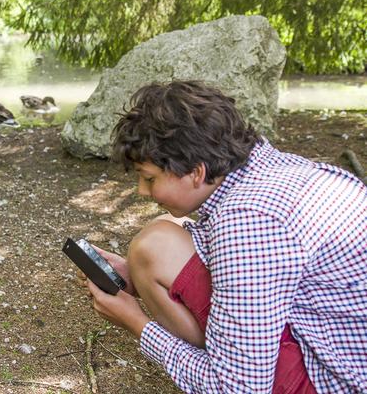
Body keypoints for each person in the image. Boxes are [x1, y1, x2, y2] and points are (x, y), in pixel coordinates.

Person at [87, 81, 367, 393]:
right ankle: (225, 353)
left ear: (196, 171)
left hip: (332, 380)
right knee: (164, 234)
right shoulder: (268, 168)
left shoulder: (248, 222)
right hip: (333, 343)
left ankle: (222, 359)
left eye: (149, 178)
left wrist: (139, 325)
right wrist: (138, 279)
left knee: (154, 245)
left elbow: (239, 389)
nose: (142, 191)